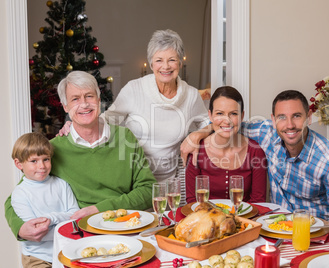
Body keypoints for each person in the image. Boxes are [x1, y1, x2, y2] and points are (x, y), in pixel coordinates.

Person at [5, 70, 156, 242]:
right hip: (83, 237)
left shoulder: (125, 137)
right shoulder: (54, 149)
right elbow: (19, 193)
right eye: (75, 99)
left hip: (127, 228)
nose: (84, 104)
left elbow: (149, 189)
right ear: (66, 107)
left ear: (99, 101)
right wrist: (19, 228)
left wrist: (100, 209)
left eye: (89, 96)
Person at [59, 29, 209, 183]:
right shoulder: (134, 89)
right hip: (131, 179)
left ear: (180, 62)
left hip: (168, 182)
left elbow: (210, 123)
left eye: (172, 59)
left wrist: (197, 134)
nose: (166, 66)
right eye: (159, 60)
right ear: (151, 63)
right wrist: (75, 126)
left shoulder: (190, 95)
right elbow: (108, 119)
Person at [181, 90, 329, 220]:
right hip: (276, 226)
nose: (289, 125)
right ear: (273, 120)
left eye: (297, 116)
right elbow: (226, 127)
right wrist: (199, 133)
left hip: (314, 230)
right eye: (282, 117)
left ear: (309, 117)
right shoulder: (267, 134)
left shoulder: (328, 161)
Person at [185, 86, 267, 203]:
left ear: (242, 116)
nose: (227, 120)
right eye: (219, 113)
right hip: (207, 219)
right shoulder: (196, 151)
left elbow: (258, 202)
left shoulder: (255, 152)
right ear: (210, 115)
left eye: (233, 113)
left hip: (246, 219)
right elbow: (192, 201)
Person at [10, 132, 79, 267]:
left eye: (46, 159)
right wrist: (65, 225)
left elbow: (75, 216)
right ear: (19, 164)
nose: (42, 166)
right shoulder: (20, 194)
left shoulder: (61, 184)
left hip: (66, 252)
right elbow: (37, 233)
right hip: (38, 257)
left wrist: (51, 218)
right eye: (34, 161)